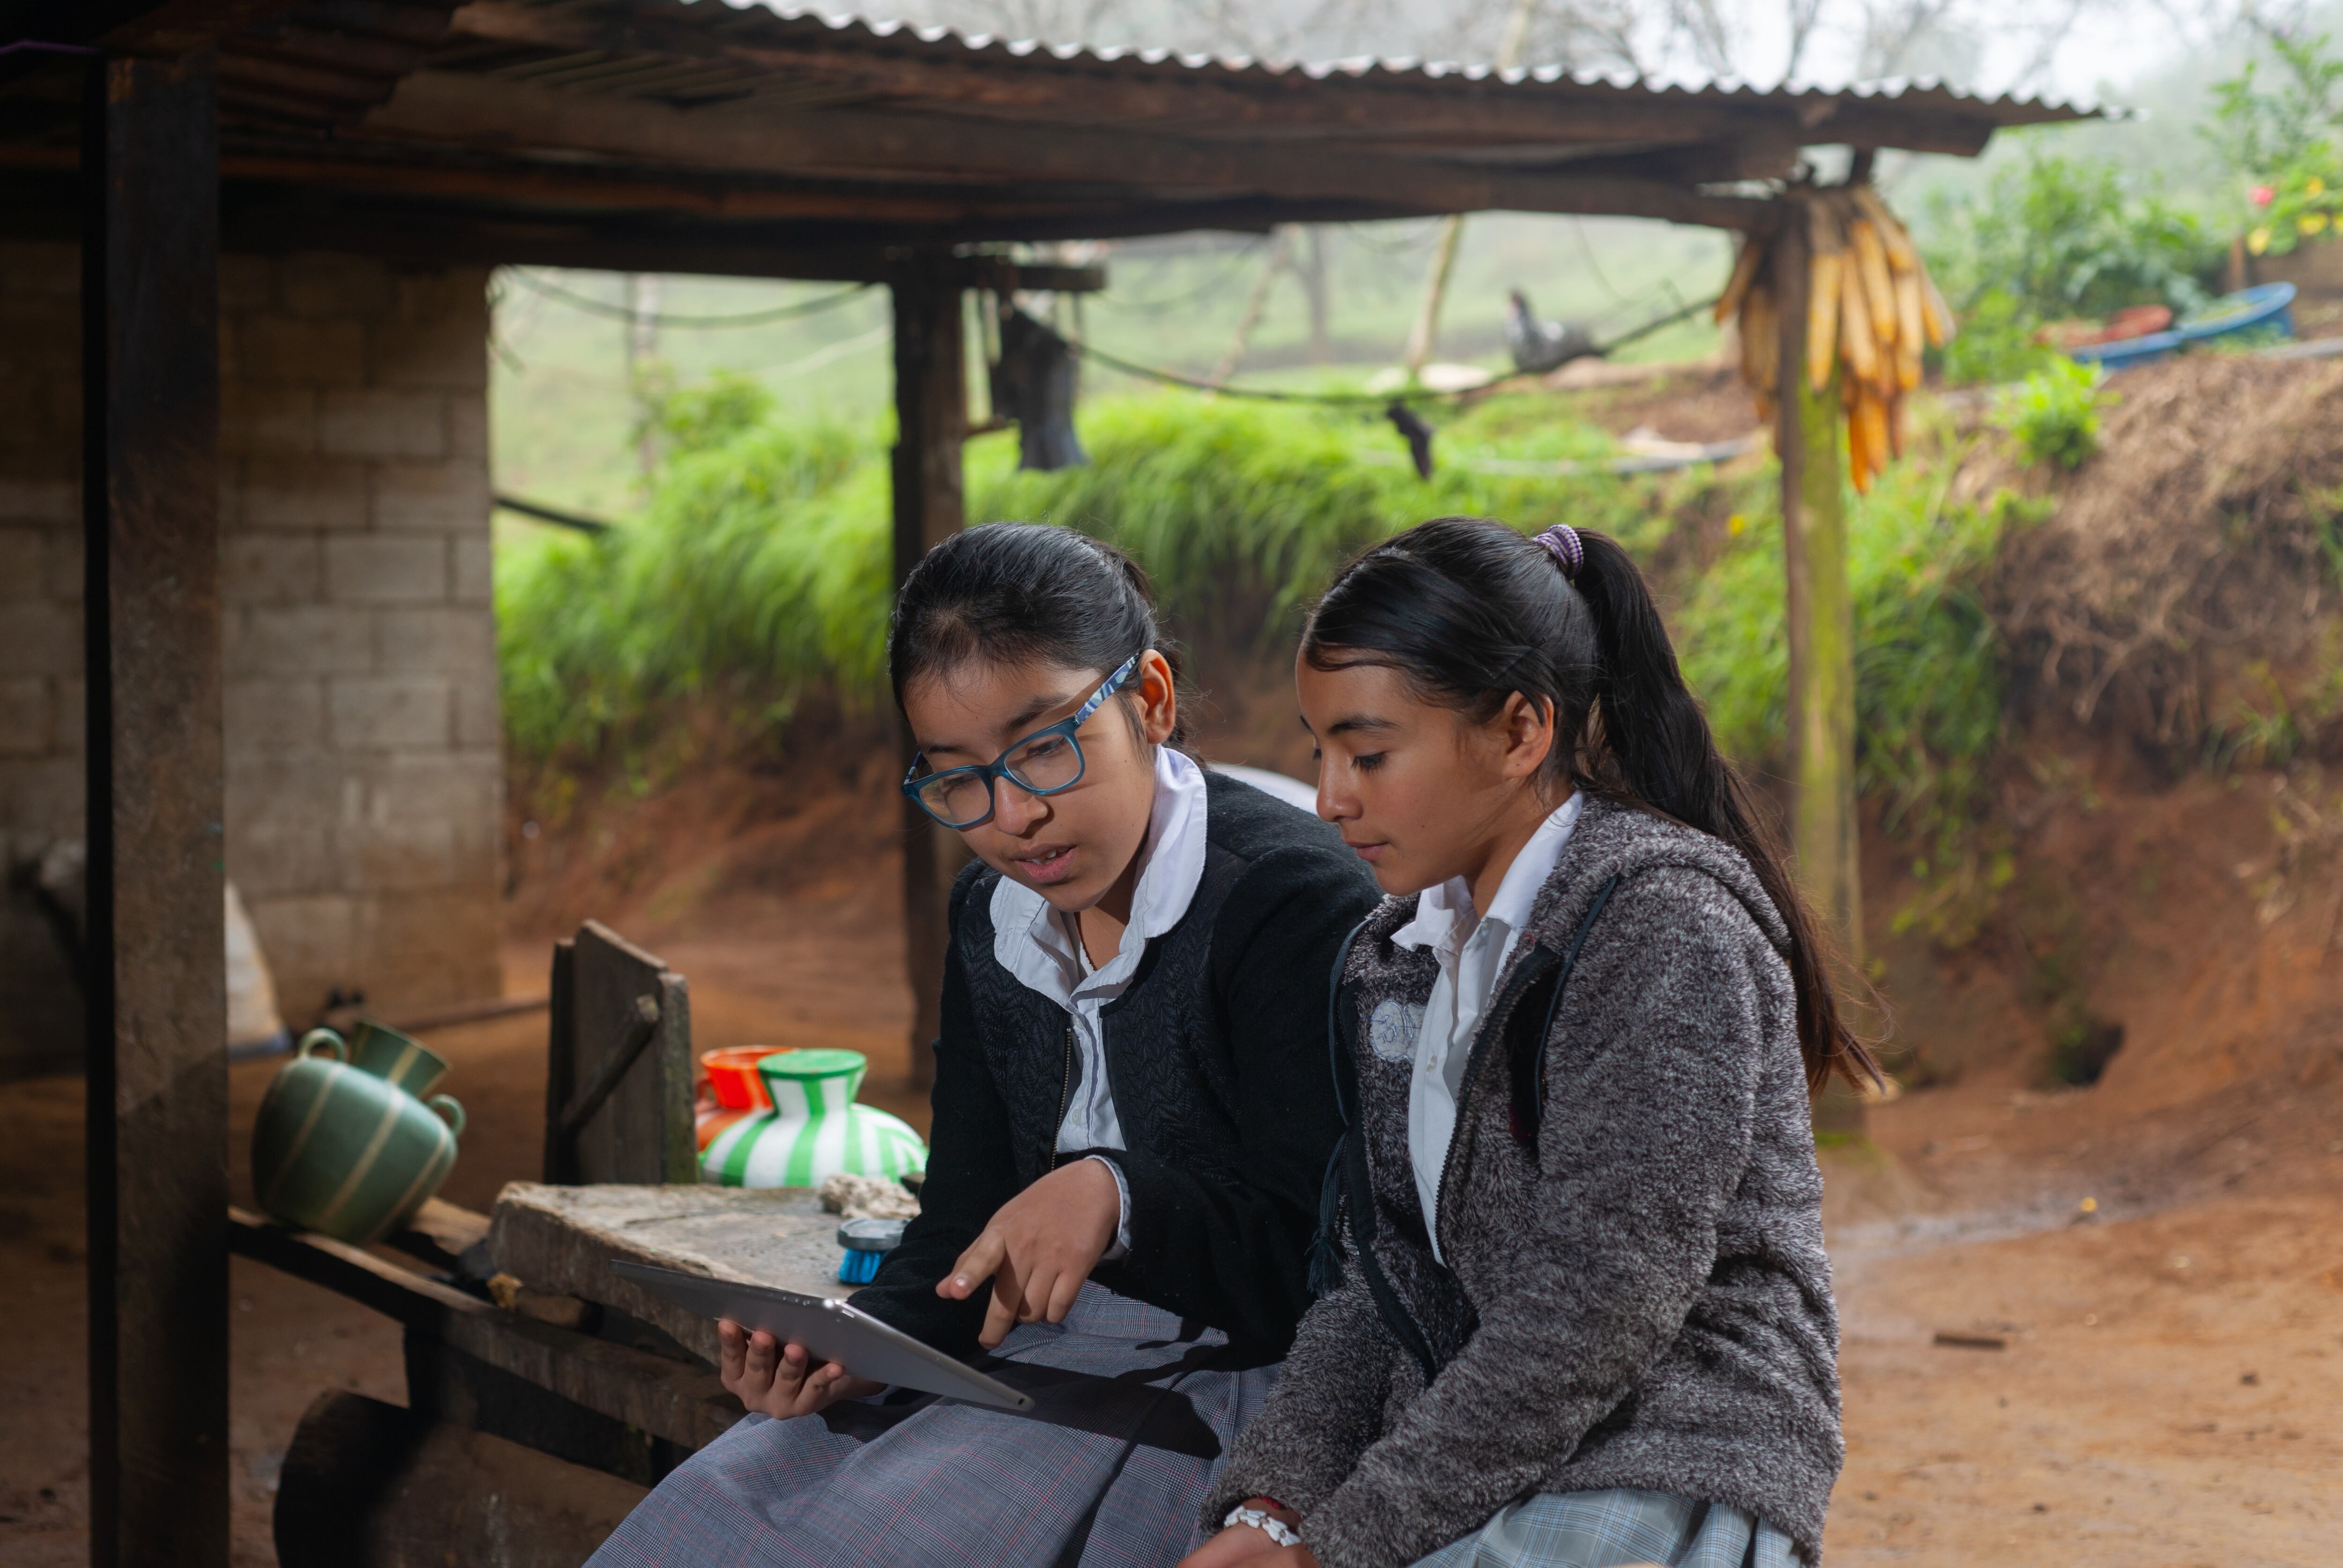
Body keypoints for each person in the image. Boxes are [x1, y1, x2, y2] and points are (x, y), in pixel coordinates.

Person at [591, 523, 1380, 1568]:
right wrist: (861, 1352)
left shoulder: (1284, 901)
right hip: (1031, 1358)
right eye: (957, 777)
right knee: (722, 1509)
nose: (1012, 817)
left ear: (1149, 698)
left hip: (1232, 1385)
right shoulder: (992, 912)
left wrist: (1117, 1194)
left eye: (1045, 745)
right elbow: (961, 1214)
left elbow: (1326, 1268)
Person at [1185, 517, 1874, 1568]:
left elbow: (1598, 1305)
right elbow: (1386, 1271)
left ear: (1519, 733)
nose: (1328, 796)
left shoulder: (1662, 929)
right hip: (1487, 1448)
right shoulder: (1401, 951)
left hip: (1667, 1460)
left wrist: (1344, 1541)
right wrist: (1273, 1505)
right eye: (1320, 748)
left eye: (1368, 752)